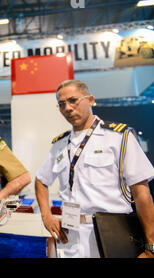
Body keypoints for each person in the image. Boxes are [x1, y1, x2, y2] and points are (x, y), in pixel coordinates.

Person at [35, 80, 154, 258]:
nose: (67, 108)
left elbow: (141, 194)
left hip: (112, 234)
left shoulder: (118, 137)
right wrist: (46, 216)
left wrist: (151, 246)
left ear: (90, 100)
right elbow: (41, 181)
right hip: (71, 236)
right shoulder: (59, 145)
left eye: (73, 100)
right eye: (62, 104)